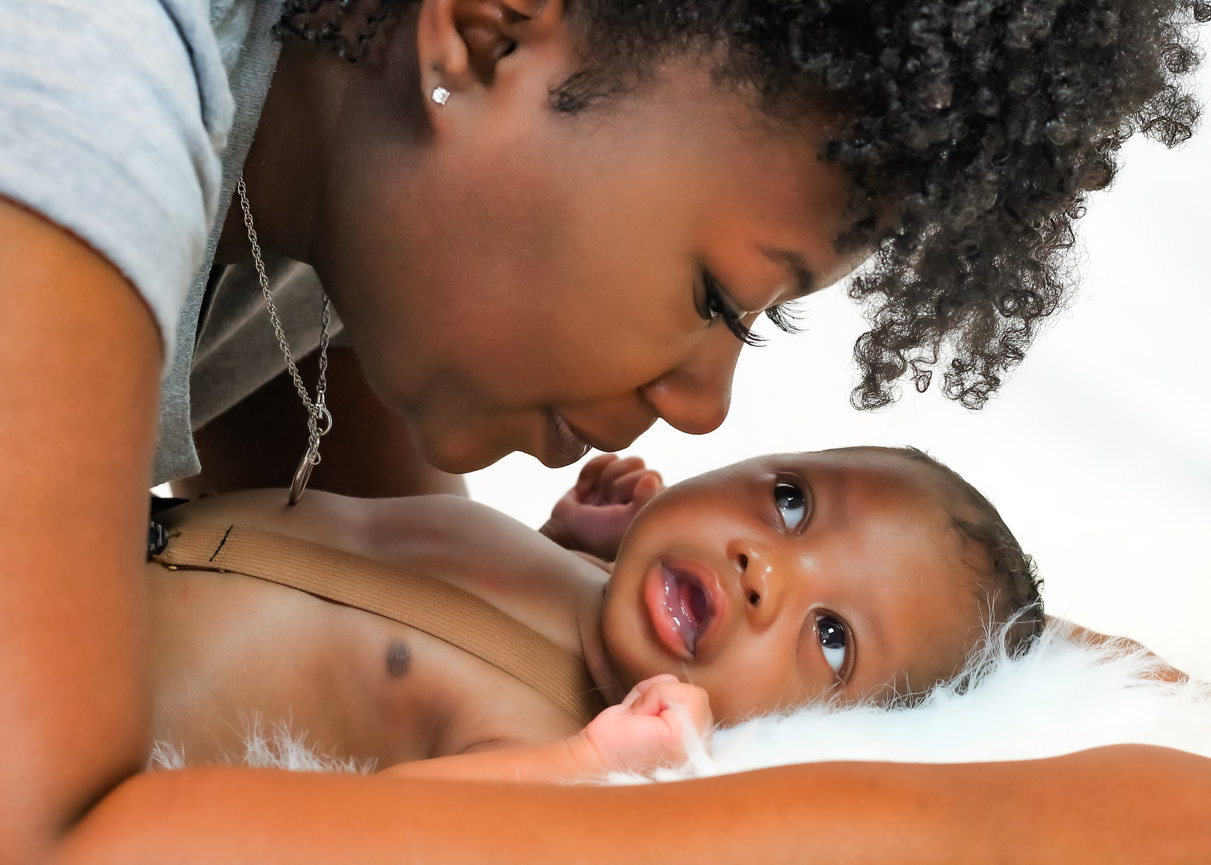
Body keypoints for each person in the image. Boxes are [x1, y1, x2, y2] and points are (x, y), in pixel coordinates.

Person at [2, 0, 1210, 862]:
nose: (703, 407)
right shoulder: (75, 81)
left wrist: (1014, 687)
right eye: (716, 298)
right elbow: (49, 837)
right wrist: (977, 829)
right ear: (488, 33)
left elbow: (366, 590)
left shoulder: (341, 238)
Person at [146, 448, 1042, 776]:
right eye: (791, 501)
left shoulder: (555, 744)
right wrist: (561, 535)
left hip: (93, 703)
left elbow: (381, 828)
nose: (763, 568)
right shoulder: (577, 575)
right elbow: (429, 588)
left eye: (832, 636)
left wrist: (584, 764)